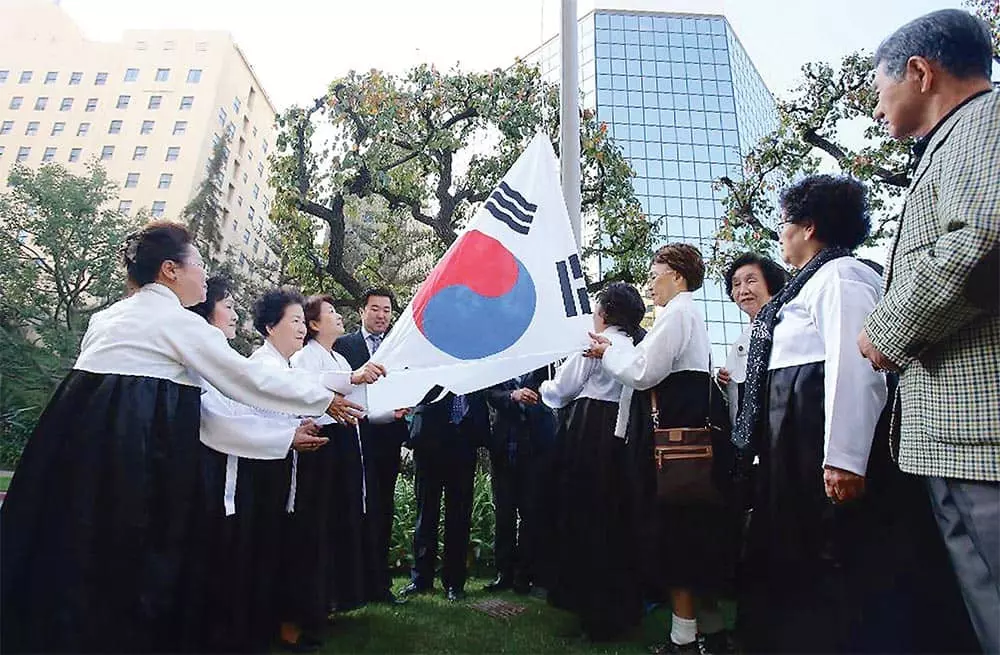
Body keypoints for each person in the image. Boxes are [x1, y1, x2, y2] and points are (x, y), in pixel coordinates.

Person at [0, 222, 365, 654]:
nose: (206, 276)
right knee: (140, 559)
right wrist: (323, 396)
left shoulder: (106, 317)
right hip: (140, 448)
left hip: (78, 444)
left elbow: (216, 408)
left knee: (83, 550)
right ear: (170, 270)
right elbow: (243, 379)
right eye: (201, 264)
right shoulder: (178, 322)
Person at [857, 10, 999, 653]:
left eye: (878, 86)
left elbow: (985, 239)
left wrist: (887, 330)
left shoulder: (979, 124)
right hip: (959, 434)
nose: (878, 107)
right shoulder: (957, 140)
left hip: (980, 432)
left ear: (920, 72)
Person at [730, 175, 891, 652]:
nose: (779, 233)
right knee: (791, 553)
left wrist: (844, 456)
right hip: (789, 442)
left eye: (784, 223)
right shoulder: (805, 286)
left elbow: (855, 367)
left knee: (827, 556)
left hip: (812, 439)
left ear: (809, 226)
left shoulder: (842, 277)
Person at [588, 247, 736, 654]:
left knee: (677, 540)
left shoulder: (677, 315)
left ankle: (682, 639)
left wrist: (607, 351)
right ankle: (712, 632)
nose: (650, 282)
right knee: (692, 537)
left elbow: (641, 372)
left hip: (673, 448)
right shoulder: (686, 315)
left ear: (678, 276)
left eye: (655, 274)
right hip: (688, 442)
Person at [190, 278, 331, 654]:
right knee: (240, 562)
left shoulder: (232, 359)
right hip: (240, 474)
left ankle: (261, 629)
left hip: (262, 468)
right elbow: (226, 420)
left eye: (305, 321)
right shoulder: (240, 364)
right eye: (228, 305)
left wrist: (293, 429)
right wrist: (289, 434)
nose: (303, 328)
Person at [542, 282, 651, 641]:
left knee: (585, 516)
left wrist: (544, 388)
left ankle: (590, 610)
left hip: (590, 431)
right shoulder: (638, 345)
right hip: (626, 436)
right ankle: (621, 607)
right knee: (617, 517)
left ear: (604, 314)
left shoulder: (595, 345)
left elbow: (561, 390)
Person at [291, 295, 390, 619]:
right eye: (330, 312)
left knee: (343, 519)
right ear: (315, 324)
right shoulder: (306, 357)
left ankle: (339, 596)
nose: (338, 316)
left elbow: (361, 406)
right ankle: (317, 602)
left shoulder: (340, 360)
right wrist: (353, 379)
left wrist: (391, 413)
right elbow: (307, 389)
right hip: (323, 447)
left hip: (348, 443)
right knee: (323, 519)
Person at [334, 288, 411, 605]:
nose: (381, 315)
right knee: (354, 509)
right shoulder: (343, 346)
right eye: (375, 309)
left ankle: (380, 584)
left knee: (383, 509)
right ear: (362, 312)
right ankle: (352, 582)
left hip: (388, 439)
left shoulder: (398, 348)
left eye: (387, 310)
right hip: (353, 437)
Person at [399, 390, 490, 602]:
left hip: (465, 437)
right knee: (426, 512)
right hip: (430, 436)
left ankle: (454, 583)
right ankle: (421, 578)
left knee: (459, 515)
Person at [484, 367, 558, 595]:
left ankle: (526, 575)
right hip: (504, 448)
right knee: (504, 514)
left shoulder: (545, 362)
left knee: (531, 513)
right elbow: (489, 393)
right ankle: (503, 573)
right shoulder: (499, 360)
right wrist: (512, 396)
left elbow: (557, 390)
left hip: (535, 446)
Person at [718, 253, 788, 426]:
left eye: (751, 281)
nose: (743, 290)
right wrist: (725, 383)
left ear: (770, 283)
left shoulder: (785, 325)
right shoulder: (744, 337)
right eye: (736, 284)